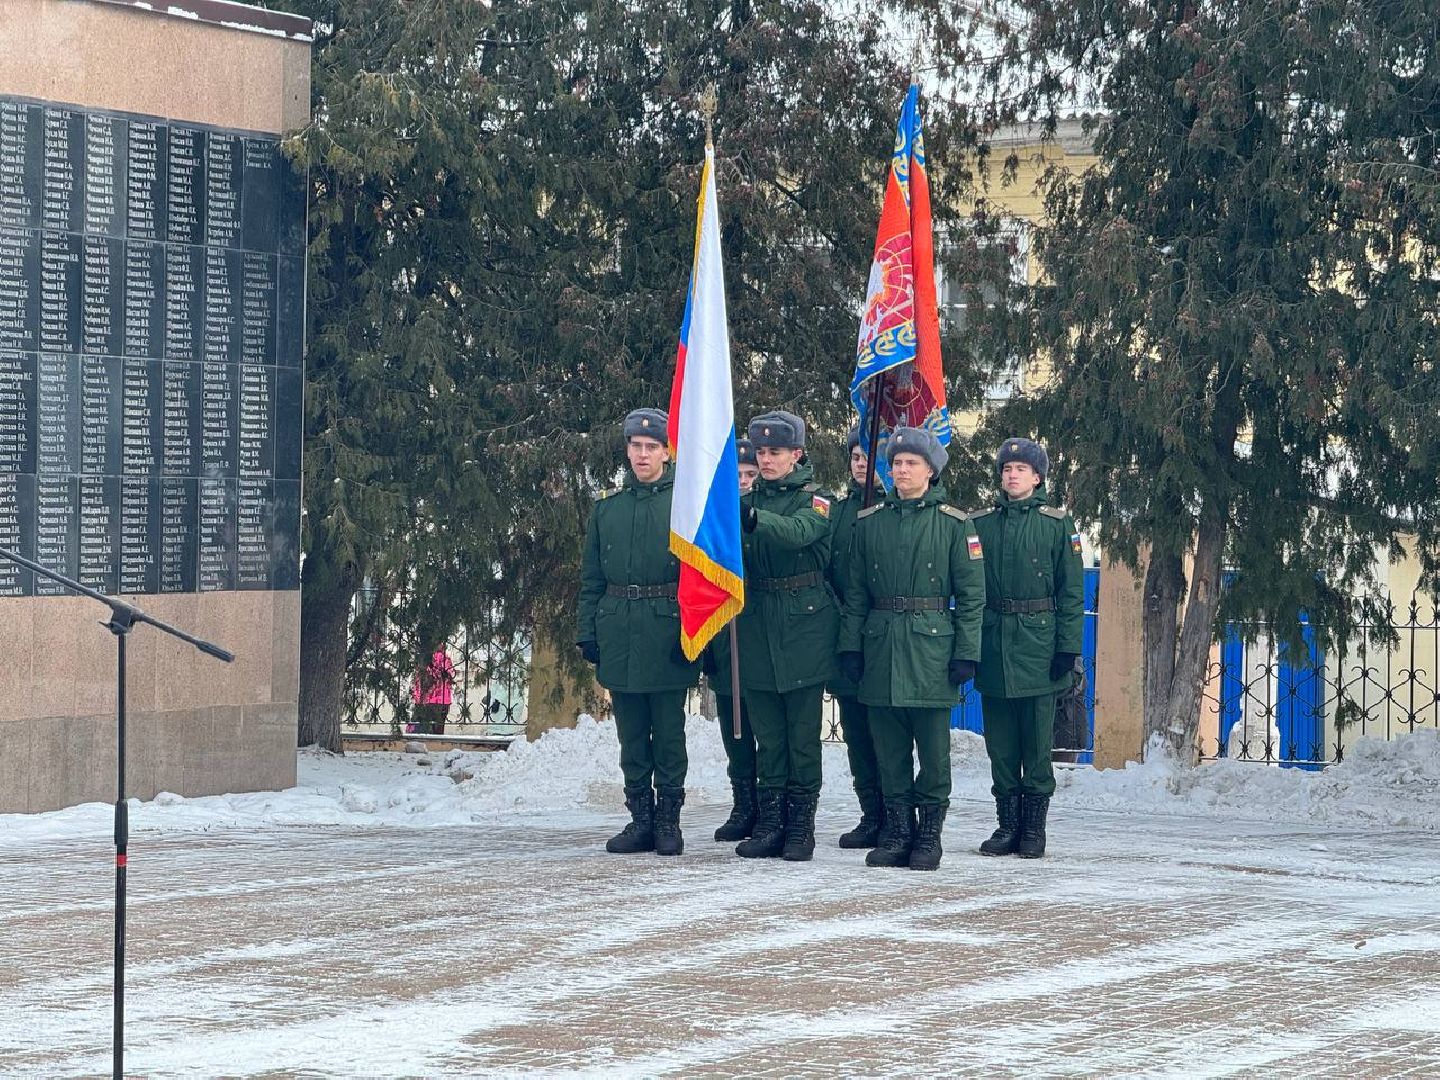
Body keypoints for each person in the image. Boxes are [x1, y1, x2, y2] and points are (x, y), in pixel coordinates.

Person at [838, 427, 985, 870]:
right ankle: (897, 832)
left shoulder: (956, 525)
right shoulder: (871, 522)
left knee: (934, 755)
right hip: (882, 648)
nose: (901, 470)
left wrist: (966, 652)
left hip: (931, 652)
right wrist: (851, 646)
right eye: (896, 462)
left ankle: (929, 836)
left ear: (930, 471)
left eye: (911, 463)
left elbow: (973, 597)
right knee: (890, 751)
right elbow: (857, 592)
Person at [576, 408, 699, 856]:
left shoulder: (684, 507)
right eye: (635, 446)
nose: (642, 454)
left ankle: (668, 821)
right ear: (627, 449)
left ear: (667, 452)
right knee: (631, 734)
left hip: (667, 631)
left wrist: (693, 635)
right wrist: (587, 631)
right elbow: (591, 578)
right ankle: (639, 819)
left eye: (651, 447)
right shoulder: (607, 509)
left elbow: (699, 579)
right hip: (619, 632)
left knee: (668, 733)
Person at [969, 437, 1084, 859]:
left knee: (1036, 745)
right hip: (993, 640)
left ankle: (1034, 828)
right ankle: (1007, 825)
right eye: (1006, 469)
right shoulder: (980, 523)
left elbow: (1072, 595)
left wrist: (1066, 650)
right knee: (1000, 744)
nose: (1011, 475)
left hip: (1039, 645)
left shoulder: (1057, 525)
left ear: (1037, 478)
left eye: (1020, 469)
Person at [733, 409, 838, 862]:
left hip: (803, 626)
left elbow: (799, 533)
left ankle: (801, 828)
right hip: (756, 622)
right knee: (768, 736)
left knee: (800, 736)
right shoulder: (746, 498)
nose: (767, 459)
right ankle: (770, 824)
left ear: (796, 454)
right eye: (761, 451)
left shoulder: (816, 499)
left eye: (775, 452)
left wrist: (752, 517)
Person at [826, 424, 886, 848]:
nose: (862, 464)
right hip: (846, 636)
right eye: (857, 457)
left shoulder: (898, 508)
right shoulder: (838, 510)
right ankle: (871, 814)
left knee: (889, 735)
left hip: (887, 636)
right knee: (858, 736)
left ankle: (897, 816)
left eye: (871, 457)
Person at [706, 438, 759, 842]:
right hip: (725, 638)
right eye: (735, 476)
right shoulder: (715, 518)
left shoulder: (766, 513)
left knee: (768, 732)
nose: (742, 482)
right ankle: (743, 805)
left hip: (764, 637)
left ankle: (774, 807)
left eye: (749, 475)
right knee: (734, 730)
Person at [411, 648, 455, 734]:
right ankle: (436, 746)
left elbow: (419, 678)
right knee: (437, 730)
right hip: (442, 699)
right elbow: (450, 676)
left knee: (420, 729)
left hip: (424, 699)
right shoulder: (445, 658)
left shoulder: (422, 657)